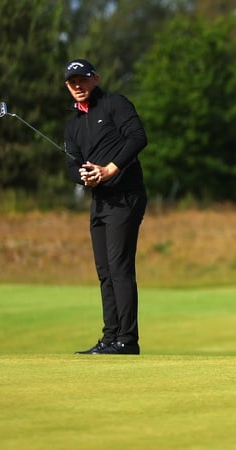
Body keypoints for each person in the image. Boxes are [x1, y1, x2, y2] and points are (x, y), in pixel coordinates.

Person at [63, 59, 148, 355]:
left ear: (95, 79)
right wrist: (83, 176)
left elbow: (139, 138)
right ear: (67, 87)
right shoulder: (73, 124)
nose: (78, 85)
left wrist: (110, 169)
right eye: (72, 82)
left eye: (83, 79)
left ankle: (128, 339)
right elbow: (71, 165)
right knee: (104, 270)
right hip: (100, 200)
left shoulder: (115, 105)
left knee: (119, 267)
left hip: (126, 195)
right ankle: (110, 337)